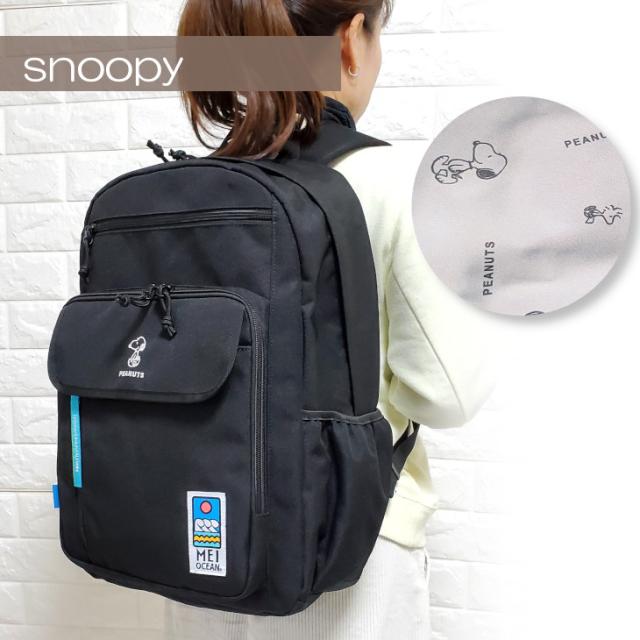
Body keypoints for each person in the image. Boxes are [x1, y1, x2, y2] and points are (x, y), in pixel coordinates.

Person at [164, 1, 495, 638]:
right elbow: (447, 393)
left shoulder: (189, 190)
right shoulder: (394, 181)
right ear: (350, 39)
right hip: (347, 549)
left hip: (199, 540)